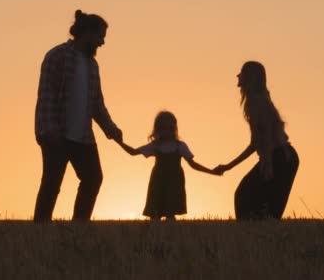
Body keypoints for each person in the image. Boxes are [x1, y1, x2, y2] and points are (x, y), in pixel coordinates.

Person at [33, 9, 123, 222]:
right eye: (100, 36)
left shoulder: (92, 65)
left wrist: (111, 128)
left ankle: (79, 228)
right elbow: (46, 94)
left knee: (93, 178)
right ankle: (40, 228)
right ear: (88, 33)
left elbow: (96, 104)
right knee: (51, 183)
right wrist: (49, 129)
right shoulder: (57, 55)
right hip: (56, 133)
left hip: (82, 136)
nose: (102, 42)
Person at [214, 61, 299, 220]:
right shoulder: (260, 100)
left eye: (241, 73)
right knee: (261, 202)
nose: (238, 76)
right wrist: (228, 166)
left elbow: (266, 134)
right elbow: (255, 144)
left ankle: (251, 236)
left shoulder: (255, 102)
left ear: (250, 78)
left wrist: (267, 164)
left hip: (279, 157)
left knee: (246, 196)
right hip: (285, 157)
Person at [119, 111, 219, 220]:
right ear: (158, 129)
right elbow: (133, 152)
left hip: (174, 182)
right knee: (155, 213)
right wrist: (118, 141)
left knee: (170, 213)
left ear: (174, 128)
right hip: (158, 182)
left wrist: (212, 172)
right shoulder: (155, 146)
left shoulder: (180, 146)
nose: (167, 131)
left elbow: (193, 164)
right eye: (163, 127)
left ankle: (170, 234)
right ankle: (155, 235)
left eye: (170, 127)